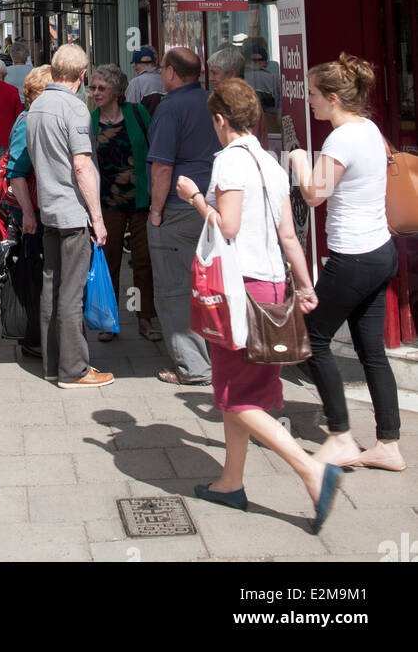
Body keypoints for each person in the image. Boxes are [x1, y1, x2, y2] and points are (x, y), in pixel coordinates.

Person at [176, 78, 341, 533]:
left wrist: (192, 196)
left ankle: (310, 469)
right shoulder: (269, 162)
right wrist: (306, 287)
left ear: (221, 120)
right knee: (242, 394)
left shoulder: (229, 161)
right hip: (271, 289)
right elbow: (290, 235)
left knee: (234, 398)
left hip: (237, 289)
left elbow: (226, 227)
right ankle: (231, 482)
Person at [290, 54, 405, 473]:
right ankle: (388, 444)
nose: (311, 102)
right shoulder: (370, 129)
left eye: (315, 95)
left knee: (309, 339)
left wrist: (300, 159)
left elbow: (315, 194)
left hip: (353, 258)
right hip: (380, 252)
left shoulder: (341, 139)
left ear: (335, 97)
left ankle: (338, 435)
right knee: (371, 350)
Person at [24, 43, 114, 389]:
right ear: (82, 75)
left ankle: (53, 363)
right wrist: (98, 217)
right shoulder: (75, 109)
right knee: (71, 292)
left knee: (52, 286)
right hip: (72, 212)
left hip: (49, 208)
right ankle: (74, 369)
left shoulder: (37, 107)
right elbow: (82, 165)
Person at [146, 47, 220, 385]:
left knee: (175, 287)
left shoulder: (170, 107)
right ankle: (218, 356)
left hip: (178, 208)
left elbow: (162, 167)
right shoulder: (213, 102)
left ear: (173, 72)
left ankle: (194, 366)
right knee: (211, 284)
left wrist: (156, 211)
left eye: (163, 68)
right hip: (215, 205)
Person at [89, 64, 160, 343]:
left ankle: (145, 317)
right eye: (93, 87)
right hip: (107, 202)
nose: (95, 93)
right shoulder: (91, 121)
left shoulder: (137, 114)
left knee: (143, 262)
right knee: (109, 262)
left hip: (141, 200)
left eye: (101, 88)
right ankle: (109, 320)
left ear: (117, 91)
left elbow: (155, 150)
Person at [6, 64, 53, 358]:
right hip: (32, 212)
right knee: (36, 276)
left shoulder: (39, 118)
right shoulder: (27, 121)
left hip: (40, 210)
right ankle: (34, 338)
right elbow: (17, 172)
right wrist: (28, 215)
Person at [127, 46, 164, 111]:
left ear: (135, 64)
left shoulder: (136, 83)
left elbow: (130, 111)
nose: (133, 66)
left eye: (133, 63)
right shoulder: (166, 80)